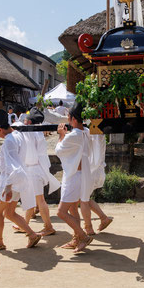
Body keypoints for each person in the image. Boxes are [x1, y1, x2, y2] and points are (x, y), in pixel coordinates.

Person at [0, 109, 41, 252]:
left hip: (10, 181)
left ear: (0, 129)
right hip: (17, 181)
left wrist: (7, 187)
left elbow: (12, 166)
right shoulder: (18, 135)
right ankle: (32, 234)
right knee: (9, 213)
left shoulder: (9, 141)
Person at [11, 107, 61, 236]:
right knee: (30, 199)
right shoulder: (37, 133)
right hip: (35, 168)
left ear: (28, 121)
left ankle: (48, 226)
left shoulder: (24, 130)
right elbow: (42, 155)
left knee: (39, 199)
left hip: (32, 169)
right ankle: (24, 224)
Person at [55, 102, 93, 253]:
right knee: (72, 209)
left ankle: (83, 236)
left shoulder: (74, 135)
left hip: (73, 176)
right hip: (80, 175)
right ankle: (76, 238)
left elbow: (59, 150)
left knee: (61, 212)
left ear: (72, 118)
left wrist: (61, 135)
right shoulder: (86, 131)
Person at [80, 129, 113, 236]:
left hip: (92, 170)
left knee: (83, 199)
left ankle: (89, 227)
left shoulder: (95, 133)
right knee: (83, 198)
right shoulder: (95, 132)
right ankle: (103, 218)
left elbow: (97, 157)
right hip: (92, 169)